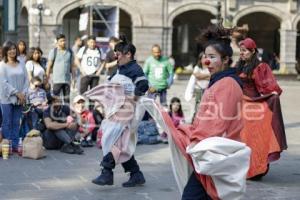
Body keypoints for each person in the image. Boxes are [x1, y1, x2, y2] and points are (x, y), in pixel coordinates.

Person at [142, 25, 250, 200]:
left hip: (216, 155)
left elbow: (217, 123)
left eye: (212, 57)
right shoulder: (220, 80)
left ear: (226, 59)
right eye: (205, 56)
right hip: (212, 153)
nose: (206, 61)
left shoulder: (227, 84)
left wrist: (191, 138)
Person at [86, 34, 149, 187]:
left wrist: (133, 99)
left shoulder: (135, 68)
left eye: (118, 54)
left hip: (127, 110)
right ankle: (136, 174)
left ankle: (106, 172)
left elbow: (144, 84)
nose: (116, 57)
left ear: (128, 54)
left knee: (113, 138)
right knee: (121, 142)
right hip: (116, 110)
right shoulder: (120, 68)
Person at [236, 37, 287, 179]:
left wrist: (272, 95)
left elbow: (266, 86)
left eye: (244, 51)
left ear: (252, 51)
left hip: (255, 106)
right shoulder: (238, 66)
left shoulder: (261, 67)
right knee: (243, 138)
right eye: (240, 51)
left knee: (257, 138)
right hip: (241, 105)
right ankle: (244, 169)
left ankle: (258, 168)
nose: (241, 53)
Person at [0, 41, 29, 152]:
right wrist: (17, 93)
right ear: (5, 51)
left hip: (20, 98)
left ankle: (16, 145)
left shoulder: (21, 62)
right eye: (9, 49)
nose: (12, 51)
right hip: (7, 98)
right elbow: (3, 83)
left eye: (13, 48)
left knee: (17, 122)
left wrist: (23, 93)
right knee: (7, 122)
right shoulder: (2, 65)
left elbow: (26, 79)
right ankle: (7, 146)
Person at [46, 34, 75, 103]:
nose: (63, 42)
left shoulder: (69, 52)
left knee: (67, 100)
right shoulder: (53, 52)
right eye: (61, 41)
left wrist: (73, 79)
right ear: (57, 42)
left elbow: (72, 67)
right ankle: (53, 113)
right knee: (55, 99)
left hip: (67, 80)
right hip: (57, 80)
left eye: (64, 40)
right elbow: (49, 66)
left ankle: (67, 113)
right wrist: (47, 79)